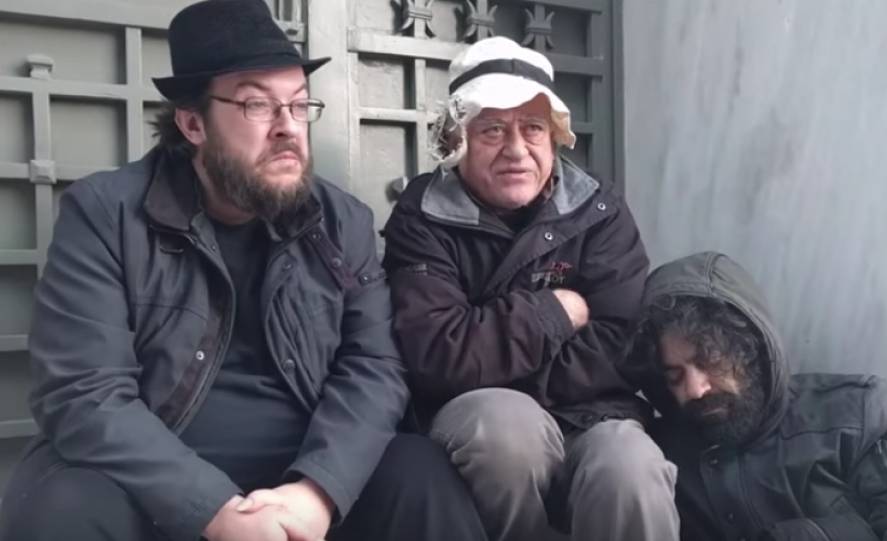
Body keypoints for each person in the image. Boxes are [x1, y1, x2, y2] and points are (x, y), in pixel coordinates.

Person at [0, 1, 489, 540]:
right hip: (155, 479)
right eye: (258, 105)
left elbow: (374, 367)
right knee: (63, 506)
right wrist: (213, 510)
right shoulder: (105, 214)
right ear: (192, 123)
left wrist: (317, 491)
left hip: (304, 468)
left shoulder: (340, 221)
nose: (288, 129)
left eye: (299, 105)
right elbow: (84, 392)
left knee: (419, 474)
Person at [381, 36, 679, 541]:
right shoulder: (422, 218)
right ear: (458, 139)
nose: (516, 150)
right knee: (506, 429)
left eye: (533, 128)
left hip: (595, 414)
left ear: (554, 136)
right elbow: (437, 353)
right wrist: (554, 313)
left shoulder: (599, 210)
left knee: (629, 467)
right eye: (493, 129)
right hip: (480, 420)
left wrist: (495, 351)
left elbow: (621, 340)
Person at [623, 251, 887, 540]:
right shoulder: (658, 459)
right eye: (674, 376)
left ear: (750, 349)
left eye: (709, 360)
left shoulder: (857, 418)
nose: (694, 389)